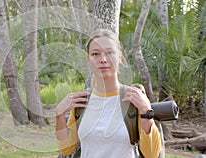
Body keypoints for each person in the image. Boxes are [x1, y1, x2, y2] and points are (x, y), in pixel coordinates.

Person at [55, 29, 161, 158]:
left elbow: (151, 154)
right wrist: (59, 116)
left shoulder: (134, 99)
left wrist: (146, 110)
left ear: (119, 56)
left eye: (109, 52)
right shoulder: (82, 101)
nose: (103, 59)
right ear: (88, 58)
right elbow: (66, 149)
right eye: (95, 54)